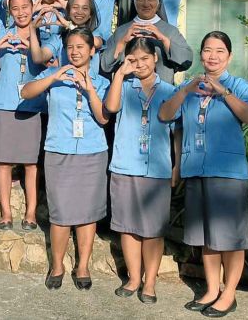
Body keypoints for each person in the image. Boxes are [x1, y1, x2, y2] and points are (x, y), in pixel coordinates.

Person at [159, 31, 248, 318]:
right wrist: (186, 91)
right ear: (200, 54)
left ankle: (229, 295)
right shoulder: (190, 87)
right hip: (195, 169)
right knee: (206, 237)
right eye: (207, 50)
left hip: (227, 173)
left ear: (229, 56)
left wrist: (223, 93)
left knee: (231, 238)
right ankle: (212, 289)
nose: (212, 56)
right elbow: (167, 117)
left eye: (219, 51)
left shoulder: (239, 86)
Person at [21, 27, 111, 291]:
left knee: (87, 213)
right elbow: (26, 92)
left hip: (92, 151)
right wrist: (54, 77)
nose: (75, 51)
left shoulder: (103, 81)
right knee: (59, 213)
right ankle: (57, 265)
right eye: (70, 47)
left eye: (81, 47)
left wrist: (89, 88)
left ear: (92, 50)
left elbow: (104, 117)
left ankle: (83, 265)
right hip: (59, 150)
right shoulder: (54, 74)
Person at [104, 37, 176, 304]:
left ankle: (150, 282)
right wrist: (120, 75)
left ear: (155, 59)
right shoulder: (123, 86)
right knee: (128, 227)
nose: (140, 64)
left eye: (145, 58)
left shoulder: (169, 90)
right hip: (125, 165)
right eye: (134, 59)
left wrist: (176, 165)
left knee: (153, 230)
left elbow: (177, 132)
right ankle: (134, 278)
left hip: (157, 169)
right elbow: (110, 108)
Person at [0, 0, 47, 230]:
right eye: (15, 8)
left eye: (25, 6)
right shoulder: (3, 36)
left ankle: (30, 213)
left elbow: (51, 63)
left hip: (33, 106)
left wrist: (30, 43)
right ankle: (6, 213)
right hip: (4, 105)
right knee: (3, 162)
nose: (21, 12)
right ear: (9, 11)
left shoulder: (42, 35)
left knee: (30, 163)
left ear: (33, 7)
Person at [101, 0, 193, 83]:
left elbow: (186, 62)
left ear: (158, 4)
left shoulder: (170, 31)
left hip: (162, 95)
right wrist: (122, 42)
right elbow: (105, 65)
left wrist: (164, 40)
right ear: (134, 3)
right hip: (128, 94)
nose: (146, 4)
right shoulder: (122, 31)